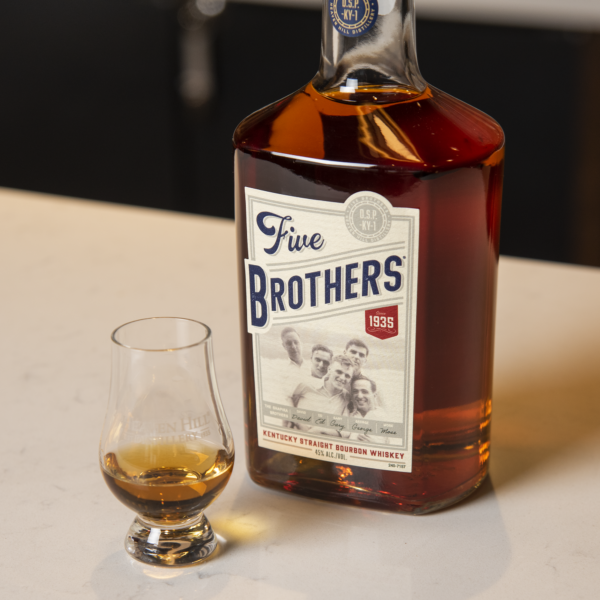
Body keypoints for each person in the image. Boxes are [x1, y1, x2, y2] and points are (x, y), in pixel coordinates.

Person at [287, 355, 355, 431]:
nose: (342, 378)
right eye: (339, 372)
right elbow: (285, 396)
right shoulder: (308, 384)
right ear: (329, 369)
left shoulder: (346, 397)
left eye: (347, 376)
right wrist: (296, 420)